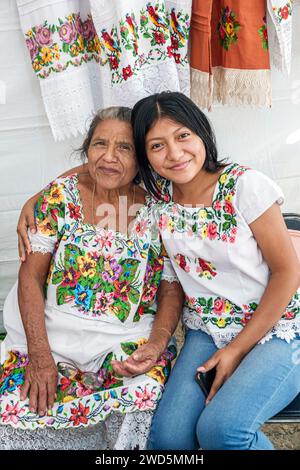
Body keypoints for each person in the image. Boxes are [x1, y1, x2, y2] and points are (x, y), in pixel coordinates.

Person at [17, 93, 300, 450]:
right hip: (207, 331)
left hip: (279, 328)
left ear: (202, 133)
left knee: (221, 432)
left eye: (183, 136)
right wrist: (38, 197)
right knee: (168, 439)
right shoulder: (160, 197)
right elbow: (104, 163)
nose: (175, 153)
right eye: (156, 145)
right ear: (146, 156)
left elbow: (288, 273)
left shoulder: (244, 186)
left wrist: (238, 350)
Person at [0, 106, 183, 450]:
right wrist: (40, 355)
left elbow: (170, 291)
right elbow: (30, 278)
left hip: (123, 338)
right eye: (100, 144)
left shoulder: (160, 207)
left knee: (139, 404)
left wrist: (157, 344)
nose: (110, 157)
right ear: (87, 151)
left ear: (142, 157)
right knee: (16, 410)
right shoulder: (61, 198)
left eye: (125, 147)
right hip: (49, 336)